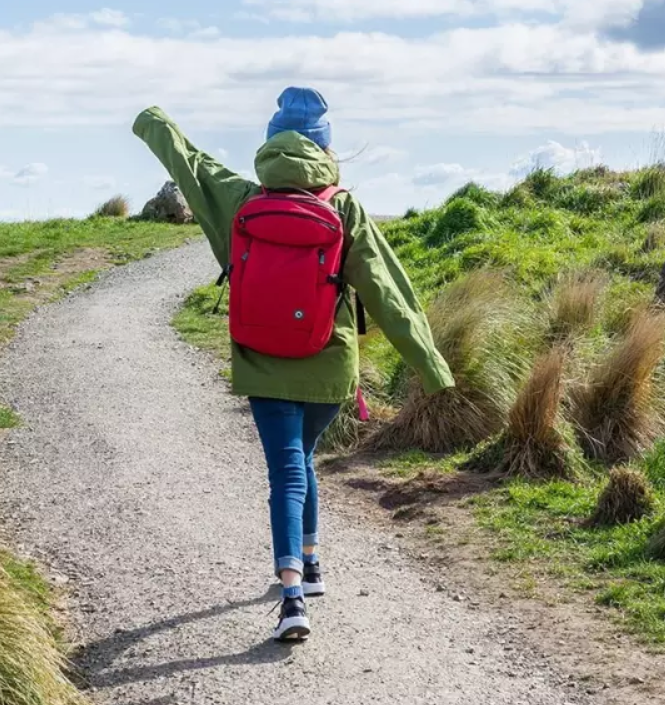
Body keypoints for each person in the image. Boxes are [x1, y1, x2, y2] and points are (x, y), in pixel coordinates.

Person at [132, 87, 454, 642]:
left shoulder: (240, 198)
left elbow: (189, 163)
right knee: (299, 461)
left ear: (271, 142)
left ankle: (292, 598)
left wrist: (153, 119)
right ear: (326, 148)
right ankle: (309, 565)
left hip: (261, 359)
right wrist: (431, 369)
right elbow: (388, 293)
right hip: (329, 366)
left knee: (286, 468)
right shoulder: (343, 206)